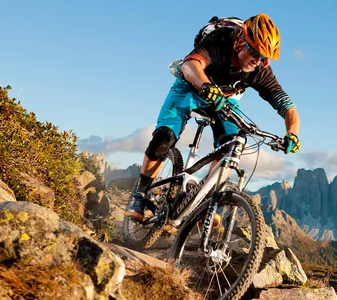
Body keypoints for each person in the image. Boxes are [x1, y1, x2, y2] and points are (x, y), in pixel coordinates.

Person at [125, 13, 301, 221]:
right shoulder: (220, 42)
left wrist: (292, 134)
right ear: (240, 42)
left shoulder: (261, 70)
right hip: (191, 86)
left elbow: (288, 108)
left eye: (264, 57)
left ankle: (202, 203)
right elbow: (190, 65)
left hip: (226, 100)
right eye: (254, 53)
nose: (258, 61)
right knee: (164, 137)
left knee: (231, 147)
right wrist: (205, 86)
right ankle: (140, 194)